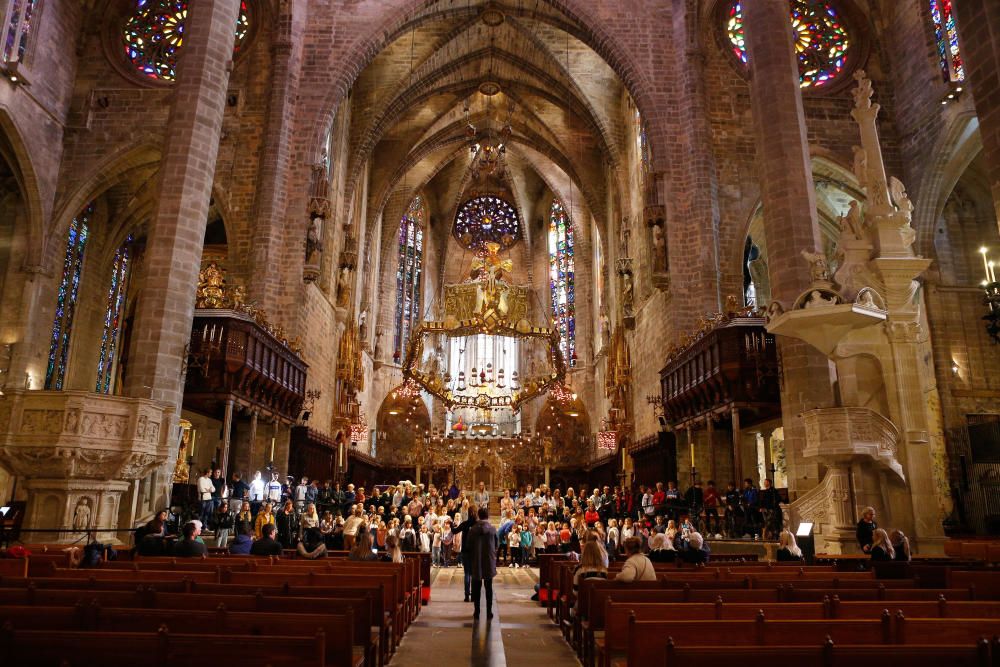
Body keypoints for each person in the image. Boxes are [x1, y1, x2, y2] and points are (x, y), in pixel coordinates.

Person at [467, 506, 499, 620]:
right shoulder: (492, 529)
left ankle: (477, 611)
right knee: (489, 588)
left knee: (476, 588)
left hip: (476, 560)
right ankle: (489, 612)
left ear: (479, 516)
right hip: (489, 561)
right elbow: (496, 545)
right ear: (488, 516)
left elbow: (468, 546)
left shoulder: (473, 529)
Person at [452, 504, 479, 601]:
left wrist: (452, 525)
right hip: (475, 552)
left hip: (465, 551)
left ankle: (467, 596)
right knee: (474, 574)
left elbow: (454, 531)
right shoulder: (478, 524)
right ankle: (474, 596)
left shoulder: (465, 523)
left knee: (467, 573)